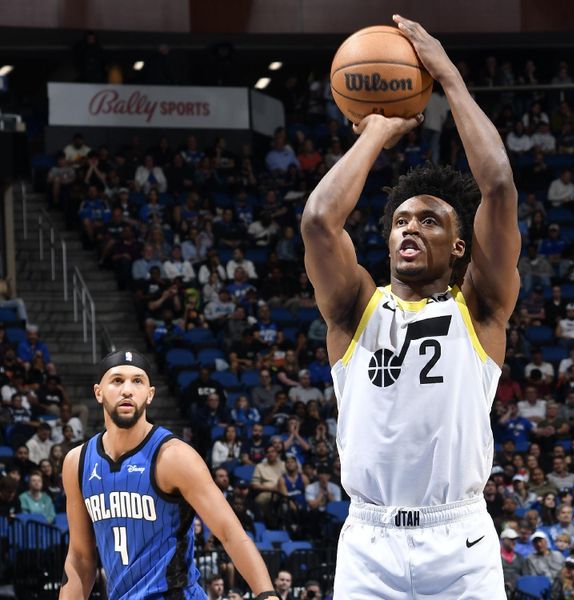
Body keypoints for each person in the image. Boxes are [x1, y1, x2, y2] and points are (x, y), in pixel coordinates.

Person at [300, 14, 519, 599]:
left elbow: (497, 184)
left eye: (429, 220)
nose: (410, 229)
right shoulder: (353, 309)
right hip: (369, 544)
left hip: (461, 542)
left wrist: (448, 78)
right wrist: (374, 131)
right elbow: (320, 221)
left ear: (460, 244)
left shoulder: (481, 308)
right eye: (400, 221)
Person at [59, 349, 279, 599]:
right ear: (98, 392)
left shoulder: (175, 457)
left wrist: (266, 594)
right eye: (117, 380)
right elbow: (80, 558)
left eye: (138, 381)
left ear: (150, 394)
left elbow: (230, 533)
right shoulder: (77, 462)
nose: (127, 390)